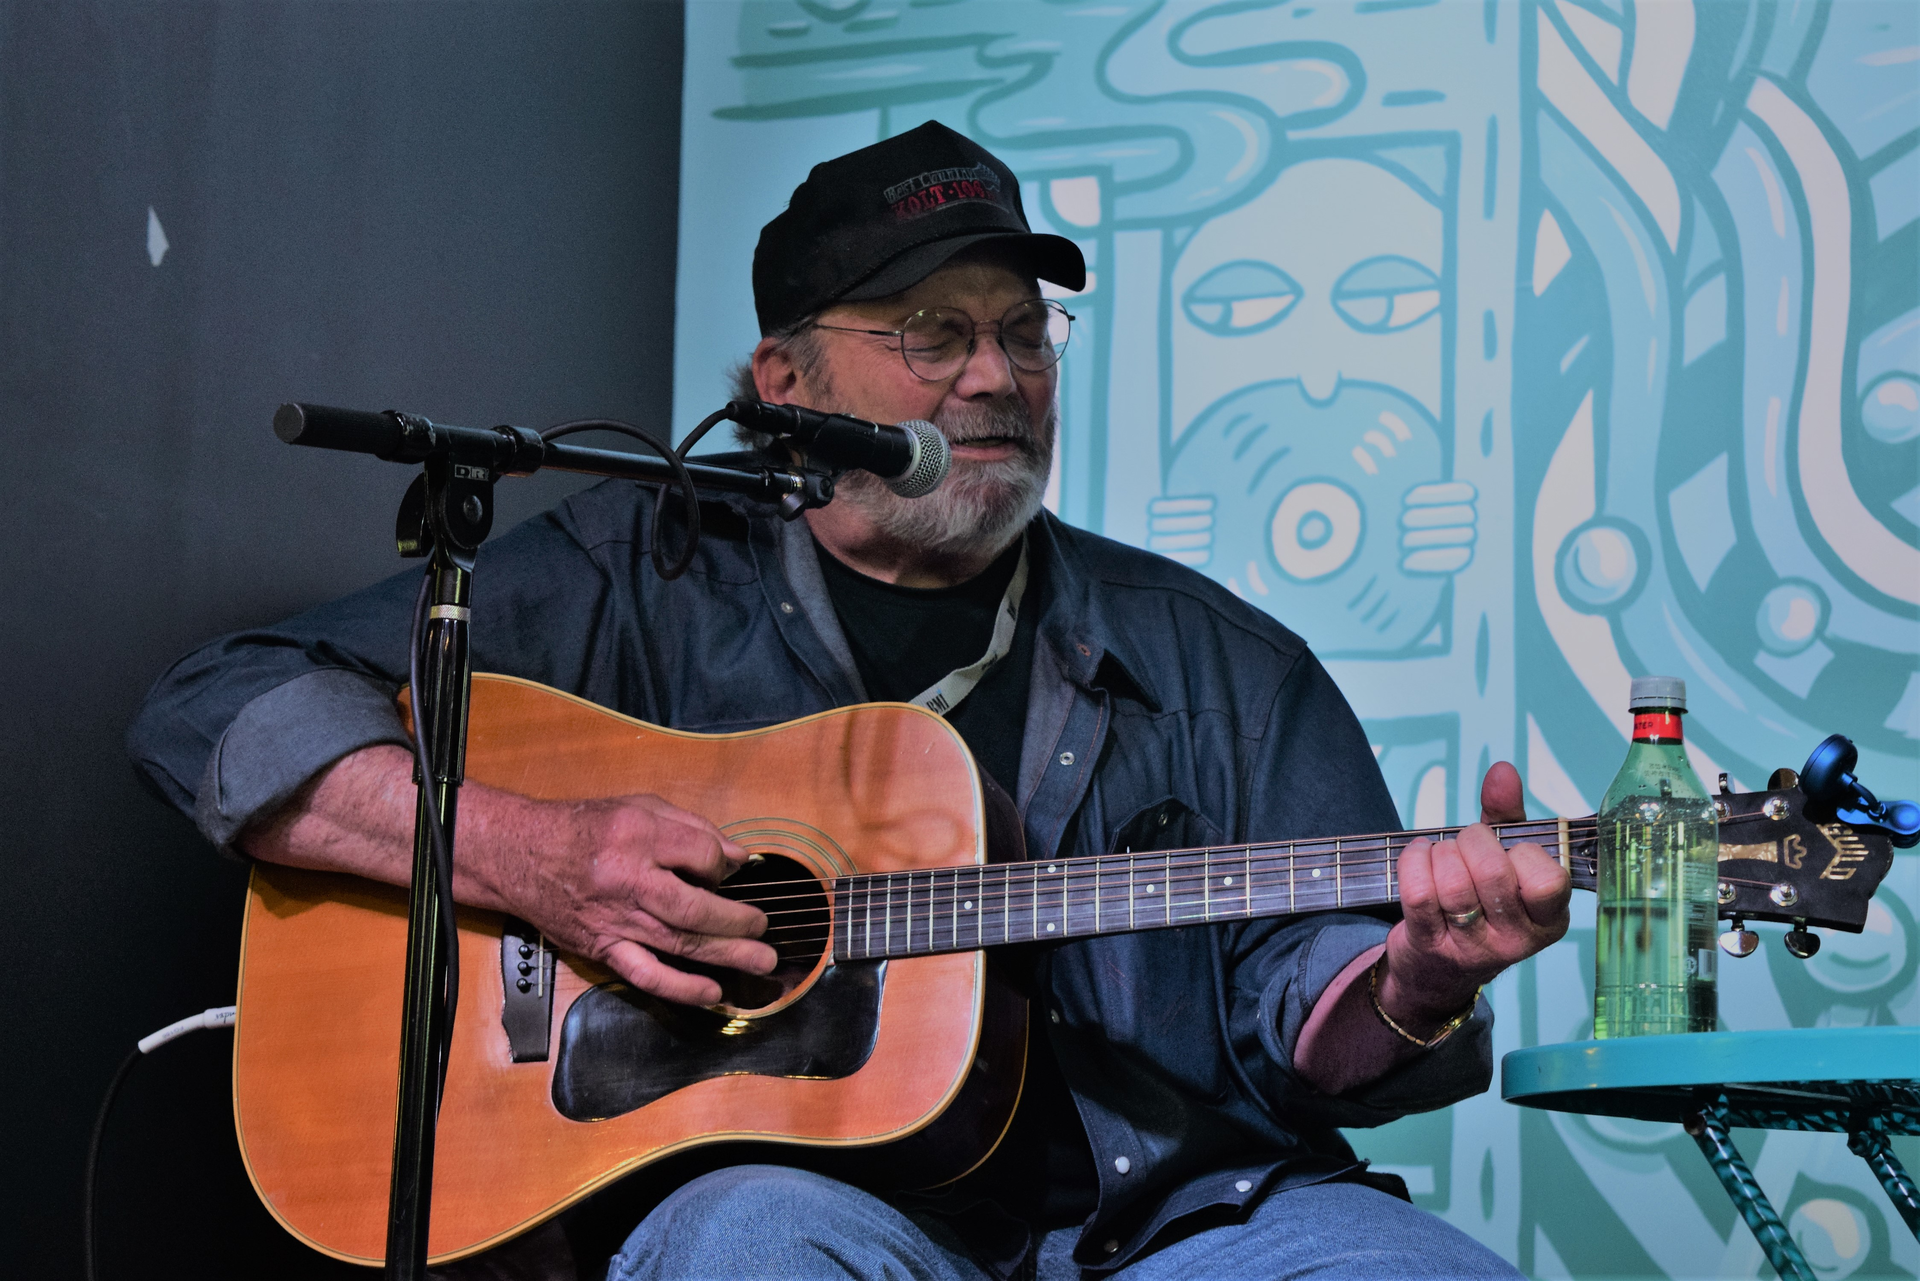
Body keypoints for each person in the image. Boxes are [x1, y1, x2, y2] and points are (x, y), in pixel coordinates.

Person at [128, 123, 1569, 1280]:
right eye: (934, 333)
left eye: (1026, 332)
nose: (997, 376)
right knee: (752, 1245)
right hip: (800, 1207)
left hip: (1179, 1223)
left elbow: (1310, 1028)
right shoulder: (635, 574)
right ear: (784, 380)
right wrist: (533, 857)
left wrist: (1418, 982)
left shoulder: (1225, 665)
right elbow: (213, 707)